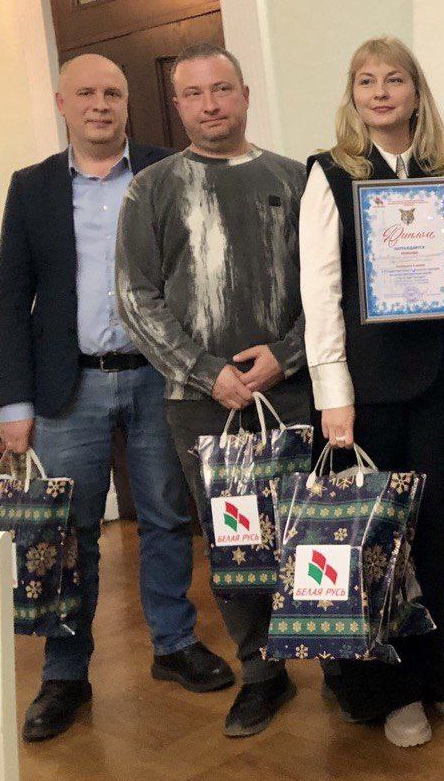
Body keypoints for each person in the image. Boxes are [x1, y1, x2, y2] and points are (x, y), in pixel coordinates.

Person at [0, 53, 232, 743]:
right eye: (87, 94)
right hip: (70, 384)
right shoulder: (33, 187)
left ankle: (173, 645)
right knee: (69, 534)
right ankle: (65, 674)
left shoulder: (169, 169)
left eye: (113, 93)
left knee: (166, 516)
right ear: (62, 104)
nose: (101, 104)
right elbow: (11, 298)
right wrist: (14, 405)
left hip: (161, 376)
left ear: (129, 103)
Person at [115, 42, 311, 738]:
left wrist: (285, 356)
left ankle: (342, 663)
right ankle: (262, 673)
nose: (210, 104)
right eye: (194, 94)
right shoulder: (152, 188)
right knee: (238, 547)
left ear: (245, 94)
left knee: (313, 534)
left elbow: (331, 286)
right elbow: (135, 297)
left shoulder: (295, 179)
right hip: (201, 405)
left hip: (292, 393)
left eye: (222, 89)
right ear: (177, 106)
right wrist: (206, 371)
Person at [300, 35, 444, 746]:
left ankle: (434, 664)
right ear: (353, 96)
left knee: (434, 524)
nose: (380, 92)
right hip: (366, 386)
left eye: (394, 80)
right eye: (366, 81)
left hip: (441, 377)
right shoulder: (329, 174)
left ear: (416, 92)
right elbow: (319, 290)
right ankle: (386, 686)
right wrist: (333, 392)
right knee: (377, 534)